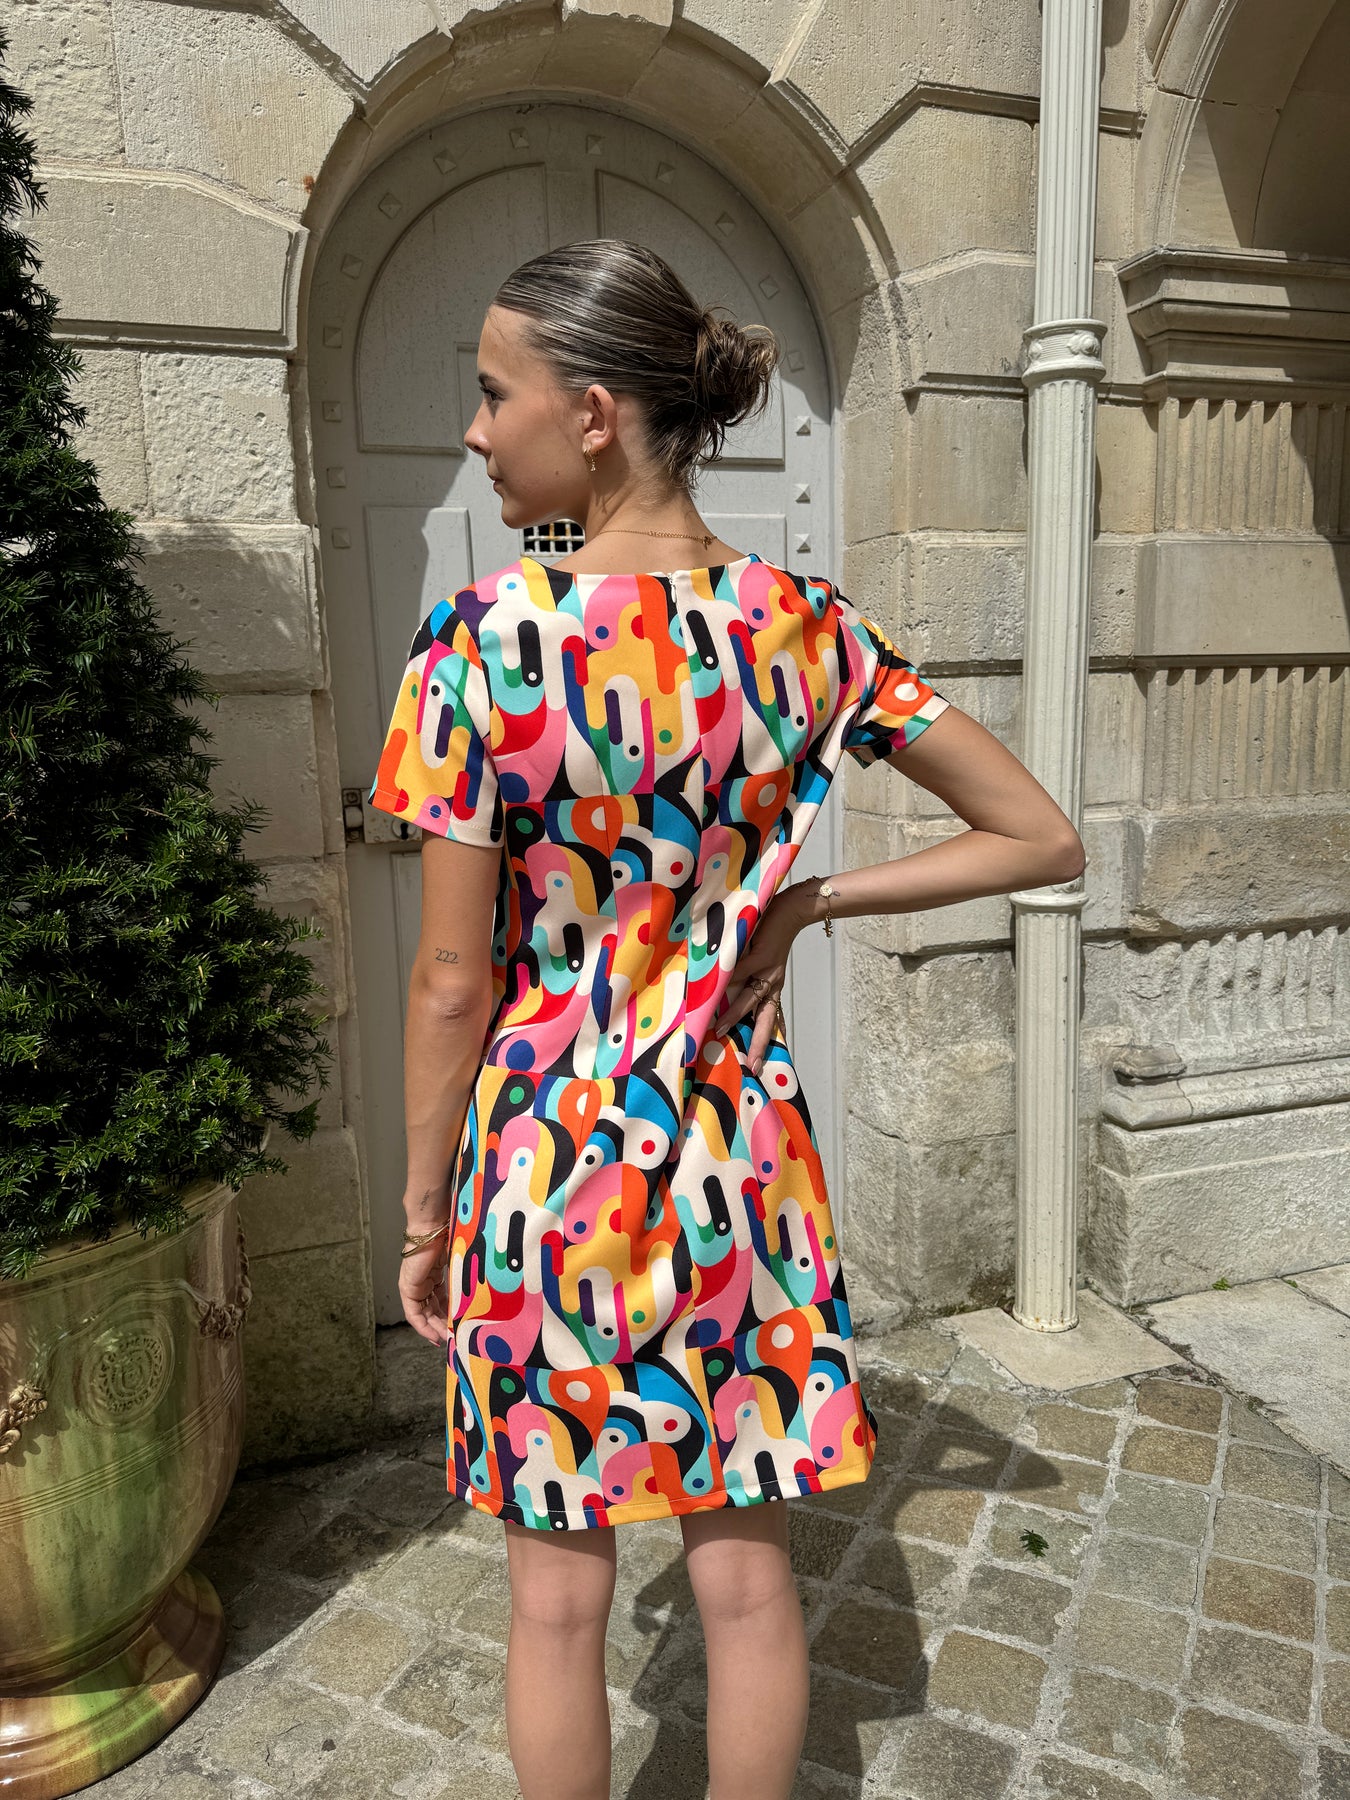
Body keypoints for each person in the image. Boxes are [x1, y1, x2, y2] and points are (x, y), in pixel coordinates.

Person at [367, 237, 1085, 1800]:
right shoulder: (810, 630)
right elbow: (1040, 837)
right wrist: (808, 899)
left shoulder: (480, 645)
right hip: (733, 1161)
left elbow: (450, 981)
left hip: (545, 1169)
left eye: (492, 393)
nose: (476, 431)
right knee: (749, 1586)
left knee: (556, 1606)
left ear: (593, 413)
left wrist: (424, 1215)